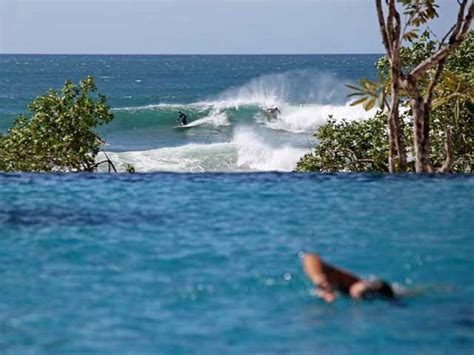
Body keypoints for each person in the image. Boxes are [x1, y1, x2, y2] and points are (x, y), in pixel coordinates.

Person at [302, 252, 395, 302]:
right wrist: (318, 279)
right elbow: (309, 257)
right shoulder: (348, 281)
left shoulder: (351, 290)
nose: (355, 293)